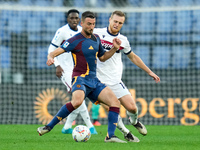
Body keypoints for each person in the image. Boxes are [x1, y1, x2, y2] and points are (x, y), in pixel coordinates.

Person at [37, 11, 127, 143]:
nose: (91, 27)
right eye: (89, 24)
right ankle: (48, 127)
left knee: (115, 103)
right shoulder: (74, 40)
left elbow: (102, 58)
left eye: (93, 24)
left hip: (94, 81)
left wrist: (114, 49)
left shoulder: (96, 39)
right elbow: (55, 52)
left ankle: (110, 136)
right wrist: (51, 58)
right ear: (82, 23)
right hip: (80, 79)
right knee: (77, 102)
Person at [93, 10, 160, 141]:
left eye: (120, 23)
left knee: (132, 108)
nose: (117, 24)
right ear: (109, 19)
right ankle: (126, 132)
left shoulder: (123, 40)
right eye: (115, 21)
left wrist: (149, 71)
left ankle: (134, 122)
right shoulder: (96, 33)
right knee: (113, 109)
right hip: (98, 81)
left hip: (115, 80)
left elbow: (133, 57)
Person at [48, 9, 97, 135]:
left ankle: (67, 127)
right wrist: (57, 65)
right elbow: (51, 49)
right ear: (67, 19)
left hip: (78, 70)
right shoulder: (62, 31)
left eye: (76, 18)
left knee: (77, 100)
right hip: (65, 70)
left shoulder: (82, 32)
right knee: (78, 99)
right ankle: (90, 126)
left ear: (79, 20)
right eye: (71, 18)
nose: (74, 20)